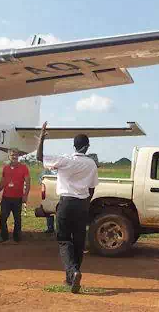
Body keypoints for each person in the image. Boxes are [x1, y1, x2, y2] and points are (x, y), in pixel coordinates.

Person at [36, 122, 97, 294]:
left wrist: (41, 138)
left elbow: (39, 158)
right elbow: (92, 188)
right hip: (82, 204)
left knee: (63, 240)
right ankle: (72, 277)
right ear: (87, 147)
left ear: (74, 146)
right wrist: (85, 202)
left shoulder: (65, 159)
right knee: (78, 242)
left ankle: (73, 272)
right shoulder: (91, 164)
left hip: (66, 203)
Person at [0, 149, 30, 243]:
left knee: (17, 219)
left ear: (18, 156)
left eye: (15, 155)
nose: (14, 157)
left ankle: (17, 238)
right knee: (2, 217)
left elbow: (28, 182)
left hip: (17, 197)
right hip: (6, 197)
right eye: (12, 155)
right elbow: (3, 181)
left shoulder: (24, 168)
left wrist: (25, 195)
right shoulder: (5, 168)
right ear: (8, 156)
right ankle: (4, 236)